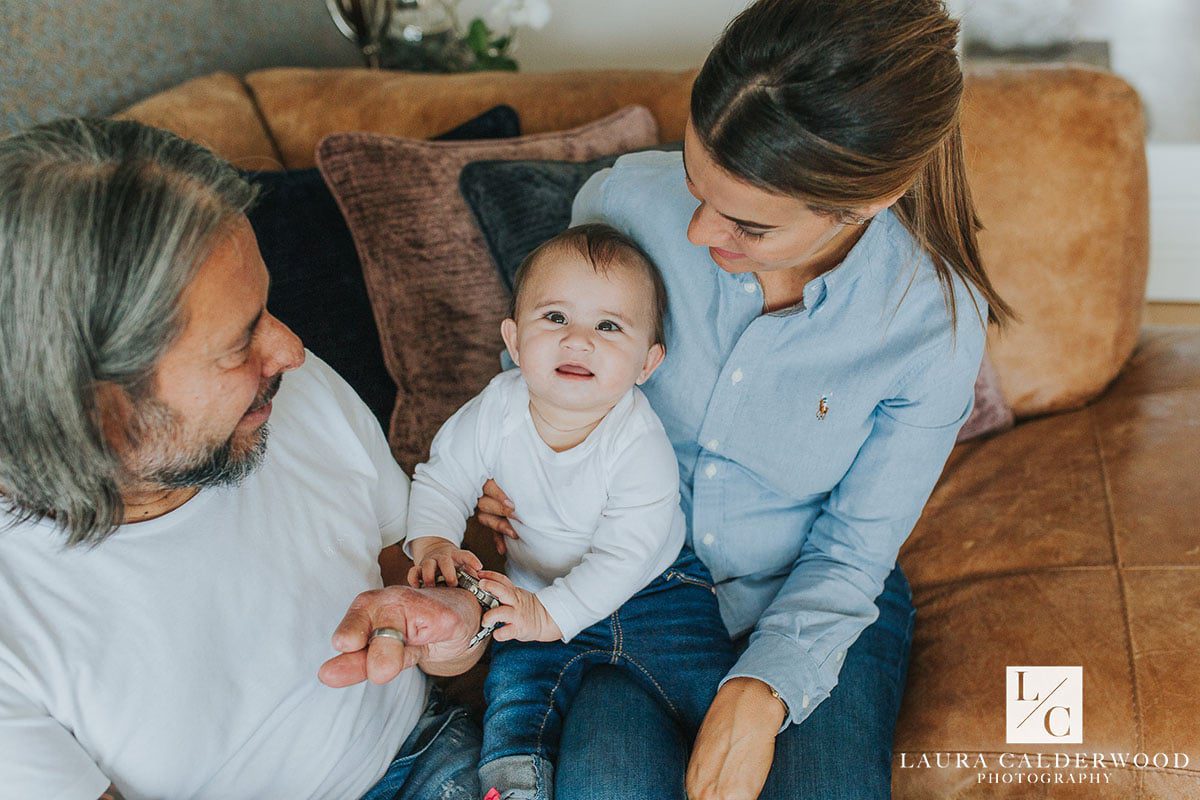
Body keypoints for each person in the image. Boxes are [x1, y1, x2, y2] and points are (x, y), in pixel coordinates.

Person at [471, 1, 1016, 798]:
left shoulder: (932, 325)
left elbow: (853, 553)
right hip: (631, 591)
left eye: (748, 226)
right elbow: (548, 372)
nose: (696, 234)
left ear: (870, 199)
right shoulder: (620, 207)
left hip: (805, 595)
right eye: (695, 184)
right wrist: (524, 461)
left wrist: (759, 694)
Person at [0, 117, 488, 800]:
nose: (289, 350)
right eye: (238, 342)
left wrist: (458, 625)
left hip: (445, 752)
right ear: (93, 409)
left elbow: (432, 607)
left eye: (266, 307)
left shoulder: (289, 392)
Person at [404, 224, 736, 800]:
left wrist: (547, 615)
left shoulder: (636, 440)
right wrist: (432, 543)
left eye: (609, 327)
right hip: (534, 592)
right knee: (516, 693)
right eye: (554, 318)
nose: (578, 340)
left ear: (646, 363)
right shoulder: (496, 409)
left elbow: (626, 554)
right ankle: (515, 784)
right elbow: (442, 477)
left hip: (656, 592)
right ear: (513, 338)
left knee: (713, 695)